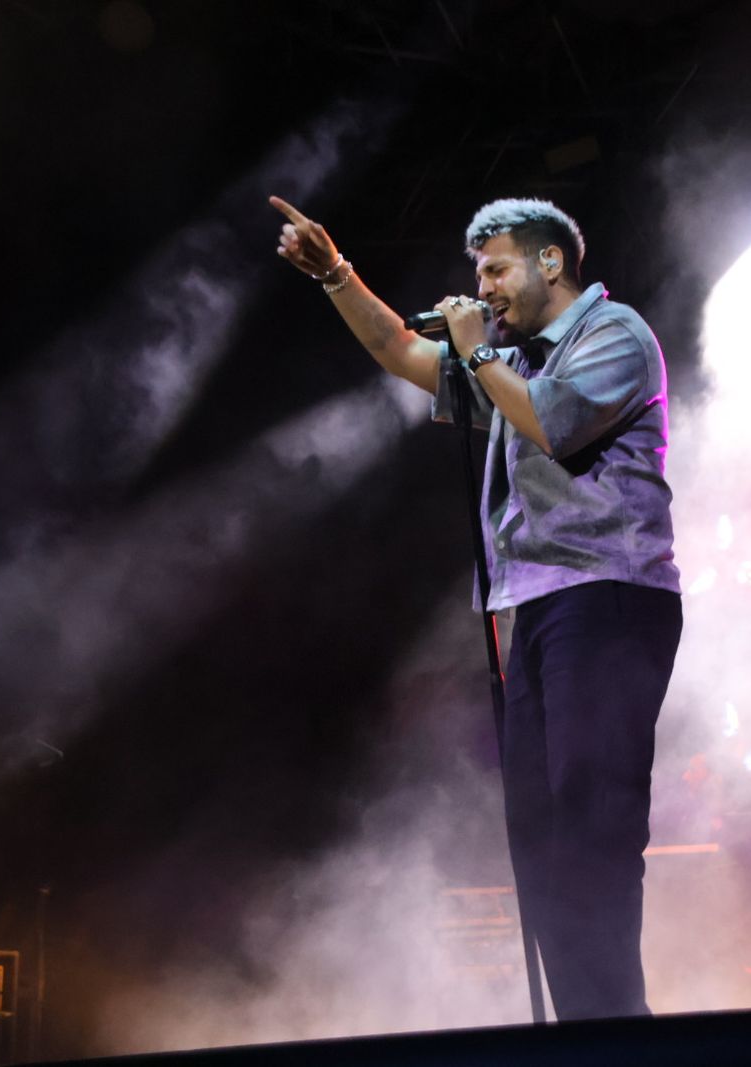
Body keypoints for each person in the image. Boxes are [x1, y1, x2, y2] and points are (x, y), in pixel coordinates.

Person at [272, 194, 682, 1019]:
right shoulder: (510, 361)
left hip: (605, 591)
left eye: (495, 269)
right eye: (478, 275)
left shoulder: (613, 334)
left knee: (590, 813)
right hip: (527, 608)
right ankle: (587, 1026)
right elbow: (399, 348)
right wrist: (336, 275)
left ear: (550, 262)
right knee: (539, 835)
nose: (483, 288)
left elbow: (556, 425)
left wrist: (475, 350)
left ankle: (620, 1031)